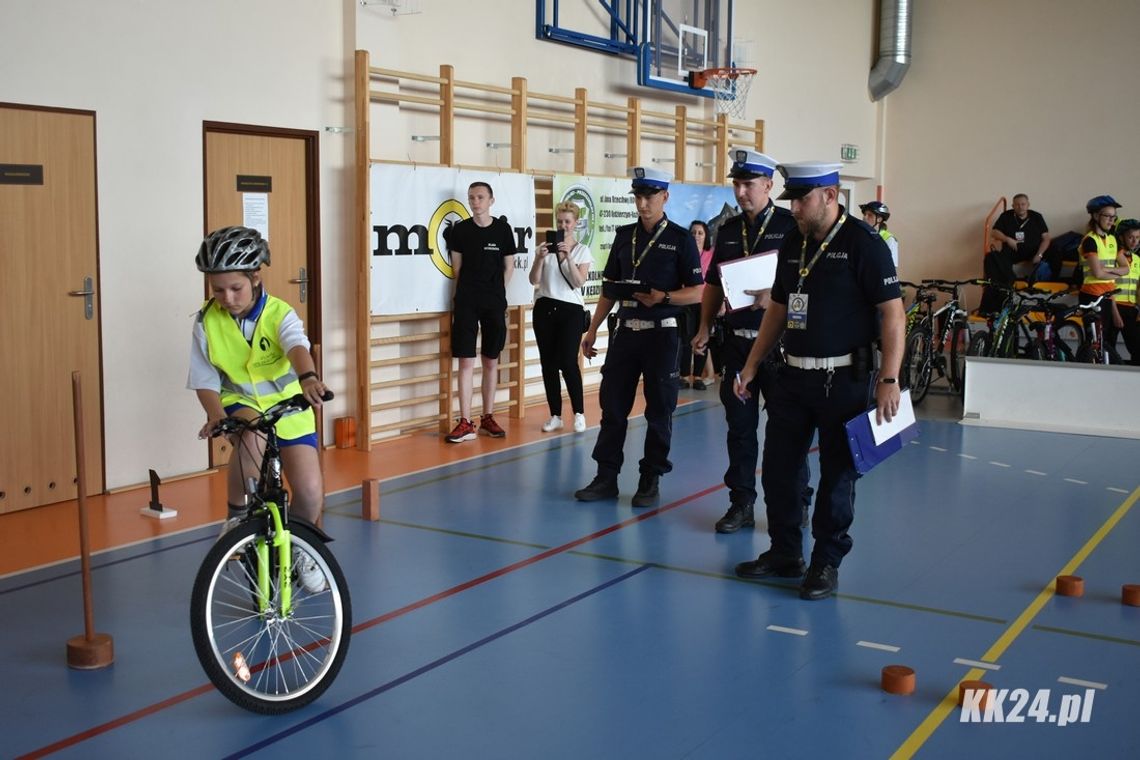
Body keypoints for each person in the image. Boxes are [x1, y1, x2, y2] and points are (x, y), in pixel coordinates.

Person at [732, 161, 905, 601]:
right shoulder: (795, 241)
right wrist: (753, 364)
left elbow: (892, 314)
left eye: (802, 198)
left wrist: (889, 377)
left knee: (837, 477)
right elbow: (778, 308)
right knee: (779, 470)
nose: (793, 206)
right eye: (791, 197)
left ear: (830, 195)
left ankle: (826, 562)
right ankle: (786, 552)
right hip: (791, 376)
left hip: (845, 380)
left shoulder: (865, 244)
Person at [188, 227, 330, 591]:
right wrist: (217, 415)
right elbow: (204, 379)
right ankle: (236, 518)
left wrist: (309, 378)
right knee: (252, 439)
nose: (227, 298)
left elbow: (297, 346)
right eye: (217, 290)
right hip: (241, 405)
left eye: (235, 288)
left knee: (311, 491)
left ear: (256, 277)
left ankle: (301, 547)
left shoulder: (280, 313)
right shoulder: (206, 322)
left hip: (289, 407)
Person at [691, 147, 812, 534]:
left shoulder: (792, 226)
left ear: (768, 185)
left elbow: (808, 286)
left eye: (748, 185)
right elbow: (713, 286)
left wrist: (774, 299)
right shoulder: (725, 230)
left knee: (787, 434)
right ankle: (741, 503)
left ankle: (796, 503)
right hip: (738, 345)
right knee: (739, 430)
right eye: (736, 184)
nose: (741, 192)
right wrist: (705, 327)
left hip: (779, 349)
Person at [574, 167, 704, 507]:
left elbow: (698, 292)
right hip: (625, 333)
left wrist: (664, 298)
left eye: (649, 197)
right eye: (638, 197)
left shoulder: (680, 239)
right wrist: (592, 329)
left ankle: (650, 478)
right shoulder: (624, 235)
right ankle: (606, 477)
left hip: (663, 336)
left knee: (659, 410)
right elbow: (609, 289)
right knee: (612, 407)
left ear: (665, 197)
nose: (642, 204)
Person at [444, 181, 516, 442]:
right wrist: (472, 291)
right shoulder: (461, 231)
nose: (475, 202)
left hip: (494, 302)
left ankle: (487, 416)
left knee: (490, 360)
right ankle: (465, 421)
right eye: (472, 198)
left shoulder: (503, 230)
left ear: (491, 200)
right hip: (466, 301)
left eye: (480, 197)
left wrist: (496, 292)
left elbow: (509, 267)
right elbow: (456, 269)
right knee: (465, 361)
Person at [531, 200, 592, 433]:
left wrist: (567, 258)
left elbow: (579, 282)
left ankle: (579, 413)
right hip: (545, 307)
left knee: (568, 362)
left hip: (570, 310)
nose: (563, 225)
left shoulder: (582, 250)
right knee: (548, 363)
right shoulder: (545, 248)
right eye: (560, 221)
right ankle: (555, 414)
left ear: (575, 223)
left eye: (567, 221)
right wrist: (538, 258)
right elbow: (534, 280)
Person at [983, 193, 1055, 311]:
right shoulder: (1006, 216)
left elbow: (1046, 238)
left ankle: (1049, 285)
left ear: (1028, 205)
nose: (1020, 207)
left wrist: (1039, 254)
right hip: (1013, 251)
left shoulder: (1036, 217)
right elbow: (994, 232)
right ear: (1013, 206)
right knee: (993, 258)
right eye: (1017, 205)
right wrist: (1007, 239)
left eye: (1023, 204)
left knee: (1054, 250)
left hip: (1034, 251)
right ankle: (1007, 284)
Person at [677, 220, 712, 390]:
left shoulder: (711, 255)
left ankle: (698, 376)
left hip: (705, 303)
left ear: (706, 236)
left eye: (700, 233)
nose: (696, 236)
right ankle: (684, 376)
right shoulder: (684, 253)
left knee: (701, 340)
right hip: (686, 302)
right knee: (685, 339)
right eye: (693, 233)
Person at [1108, 218, 1140, 364]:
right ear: (1121, 237)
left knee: (1137, 349)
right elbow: (1109, 286)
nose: (1134, 241)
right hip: (1113, 307)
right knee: (1109, 349)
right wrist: (1114, 312)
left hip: (1131, 309)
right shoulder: (1114, 258)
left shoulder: (1137, 260)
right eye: (1131, 237)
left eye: (1138, 237)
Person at [859, 201, 899, 268]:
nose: (865, 217)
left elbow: (891, 266)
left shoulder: (889, 239)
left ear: (879, 219)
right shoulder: (860, 236)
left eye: (870, 215)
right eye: (864, 214)